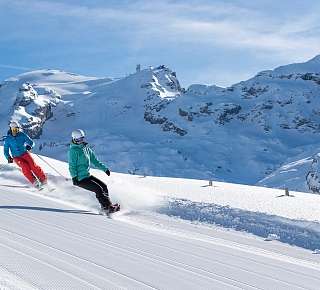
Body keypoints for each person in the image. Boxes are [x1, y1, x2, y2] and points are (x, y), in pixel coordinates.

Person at [68, 129, 119, 214]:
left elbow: (94, 160)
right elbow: (72, 166)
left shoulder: (86, 148)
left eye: (81, 139)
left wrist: (105, 169)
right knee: (98, 189)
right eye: (78, 140)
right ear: (74, 139)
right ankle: (107, 207)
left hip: (86, 176)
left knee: (104, 186)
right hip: (79, 178)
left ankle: (106, 206)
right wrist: (74, 178)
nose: (80, 141)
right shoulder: (73, 151)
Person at [3, 121, 47, 188]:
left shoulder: (22, 135)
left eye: (17, 129)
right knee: (25, 167)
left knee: (33, 166)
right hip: (16, 157)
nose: (15, 131)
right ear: (11, 129)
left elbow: (31, 142)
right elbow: (6, 150)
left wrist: (30, 146)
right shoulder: (8, 139)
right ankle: (34, 182)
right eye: (14, 129)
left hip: (25, 154)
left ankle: (43, 180)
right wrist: (8, 158)